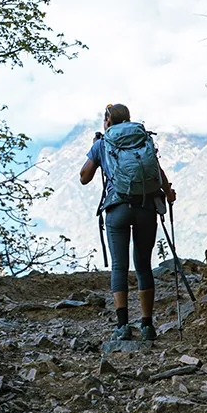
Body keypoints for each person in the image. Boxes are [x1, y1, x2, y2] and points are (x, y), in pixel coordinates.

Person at [79, 103, 176, 341]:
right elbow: (158, 172)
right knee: (143, 265)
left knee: (119, 266)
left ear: (108, 121)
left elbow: (84, 177)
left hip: (117, 209)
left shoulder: (103, 143)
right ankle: (147, 325)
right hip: (145, 207)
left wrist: (96, 150)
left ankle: (122, 327)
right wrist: (168, 193)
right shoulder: (142, 140)